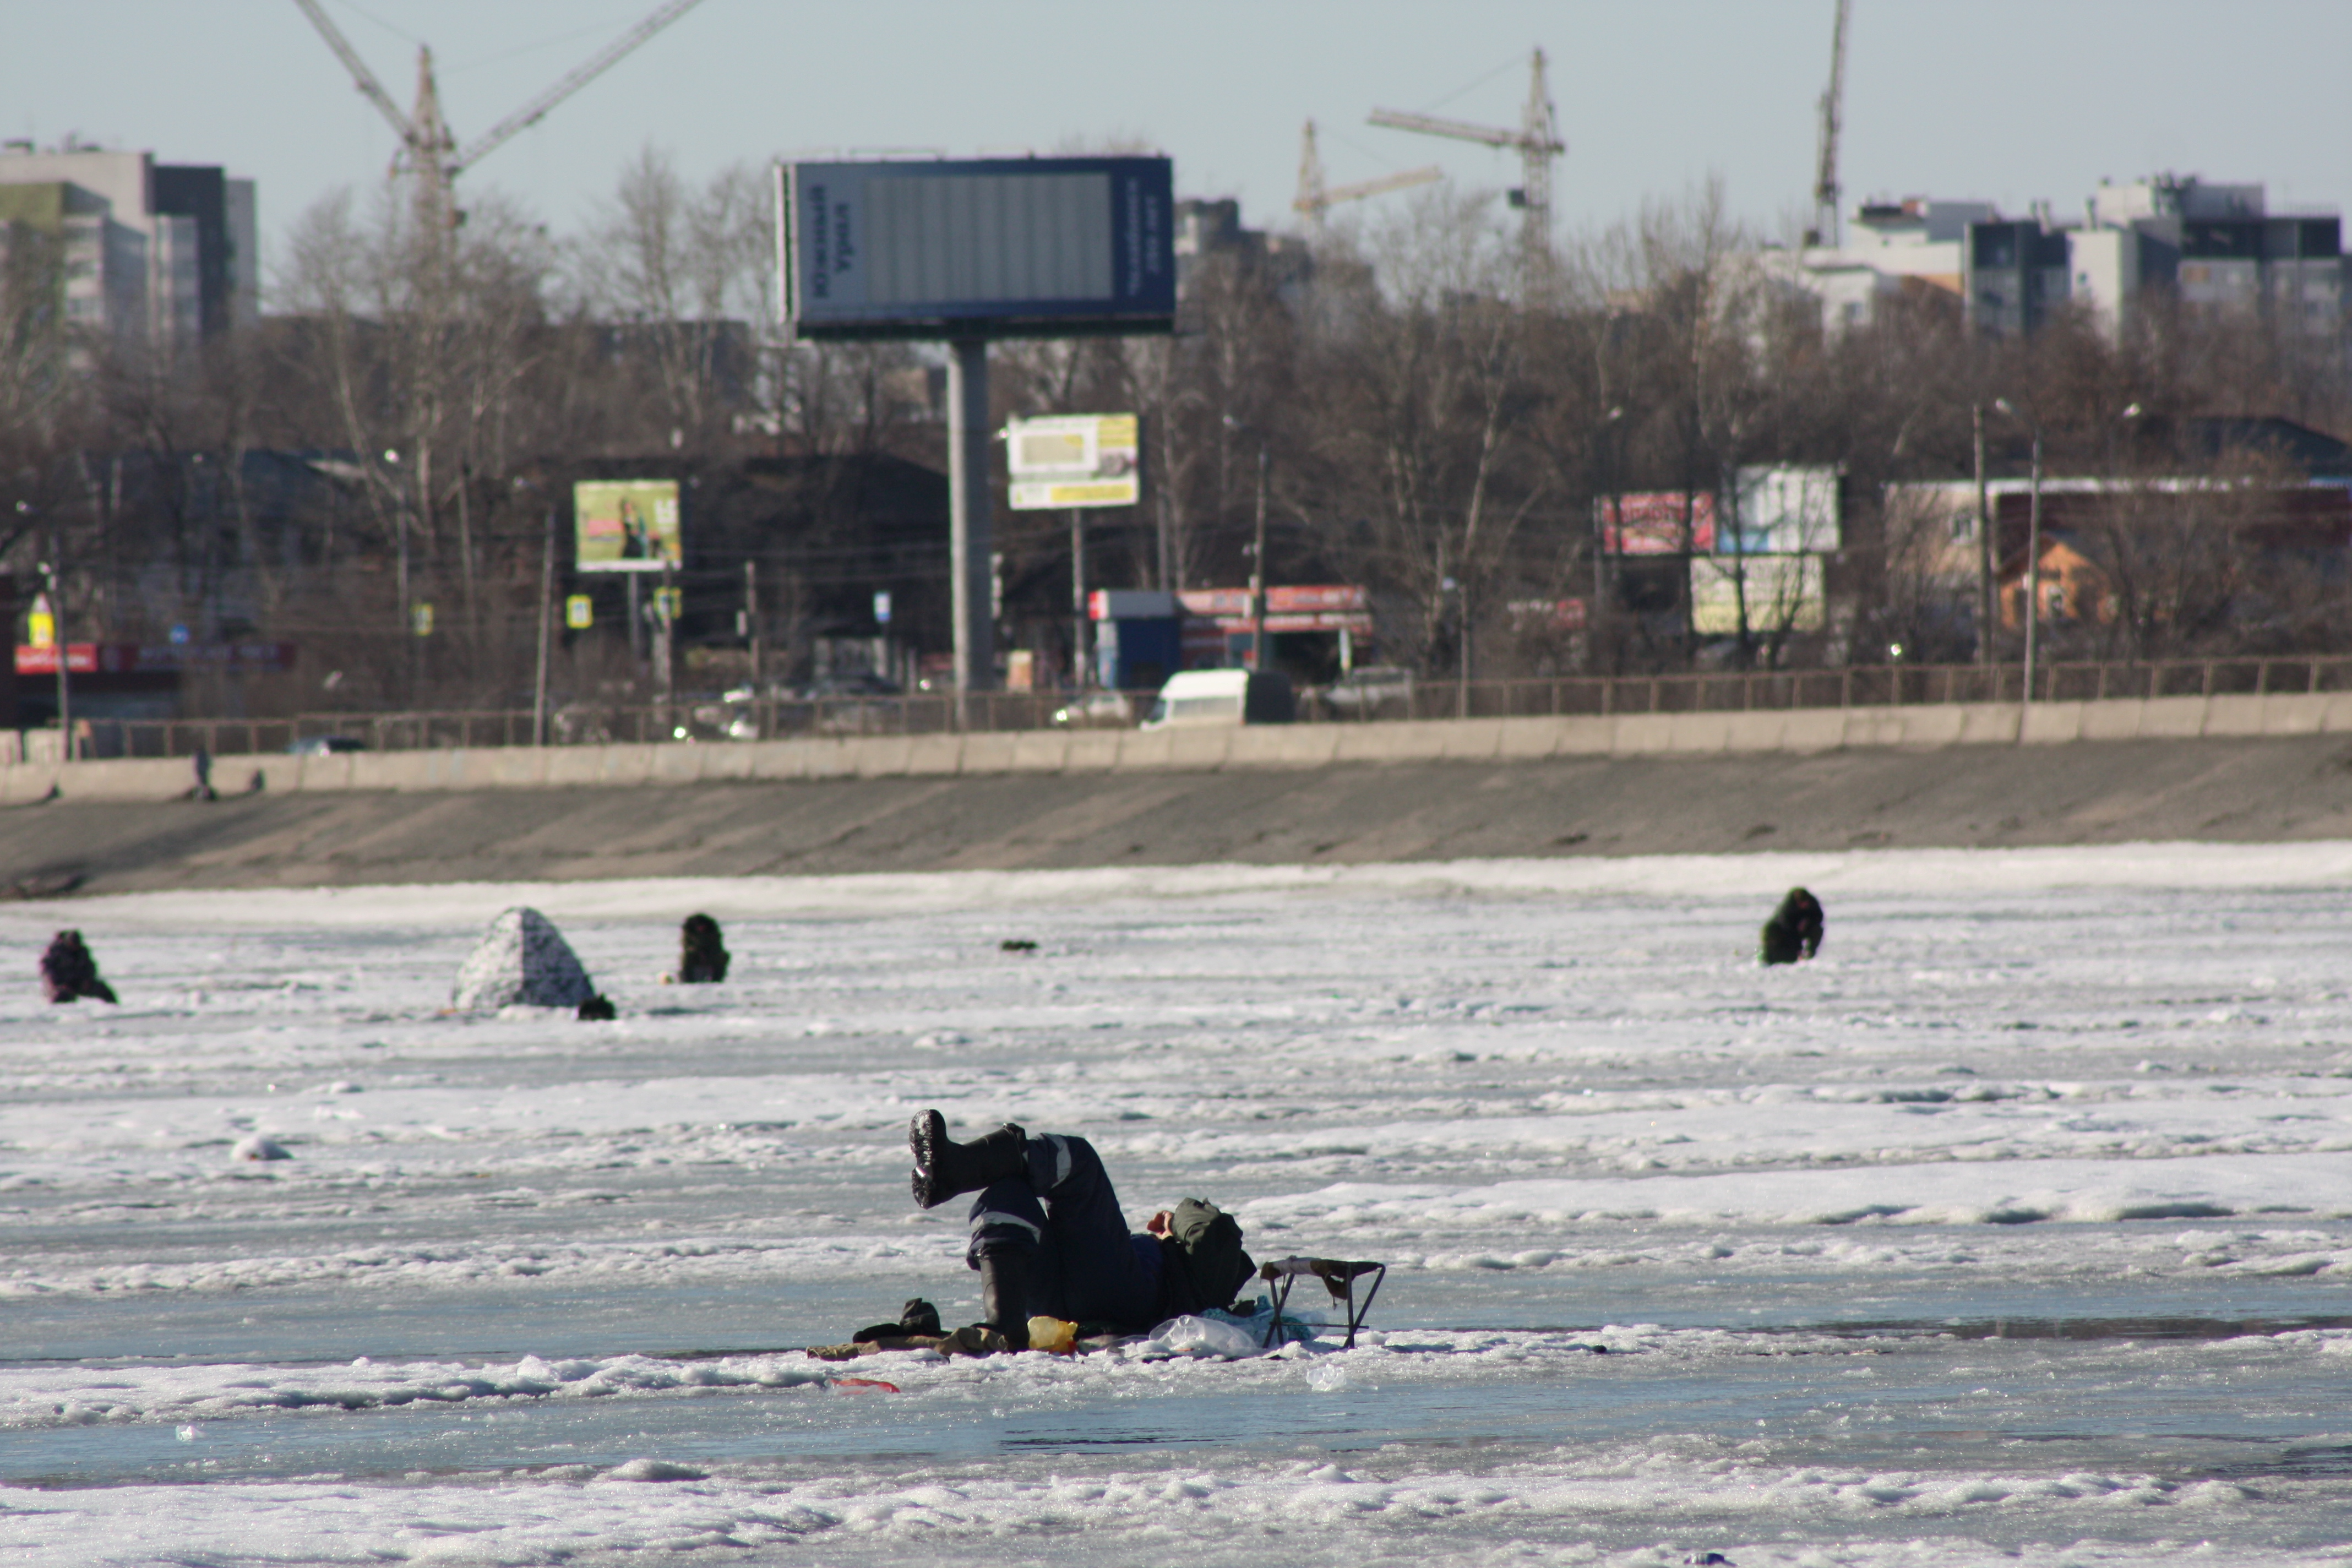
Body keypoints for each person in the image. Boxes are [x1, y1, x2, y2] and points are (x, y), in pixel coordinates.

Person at [906, 1110, 1254, 1350]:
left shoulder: (1195, 1262)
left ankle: (957, 1170)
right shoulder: (1142, 1253)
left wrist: (1172, 1223)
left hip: (1125, 1299)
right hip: (1048, 1309)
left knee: (1080, 1161)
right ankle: (1004, 1324)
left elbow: (1214, 1227)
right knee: (1008, 1189)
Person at [1760, 886, 1825, 966]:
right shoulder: (1787, 909)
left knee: (1817, 930)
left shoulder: (1813, 903)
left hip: (1802, 930)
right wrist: (1798, 949)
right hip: (1782, 932)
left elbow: (1819, 917)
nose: (1804, 906)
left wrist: (1807, 922)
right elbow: (1788, 928)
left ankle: (1809, 954)